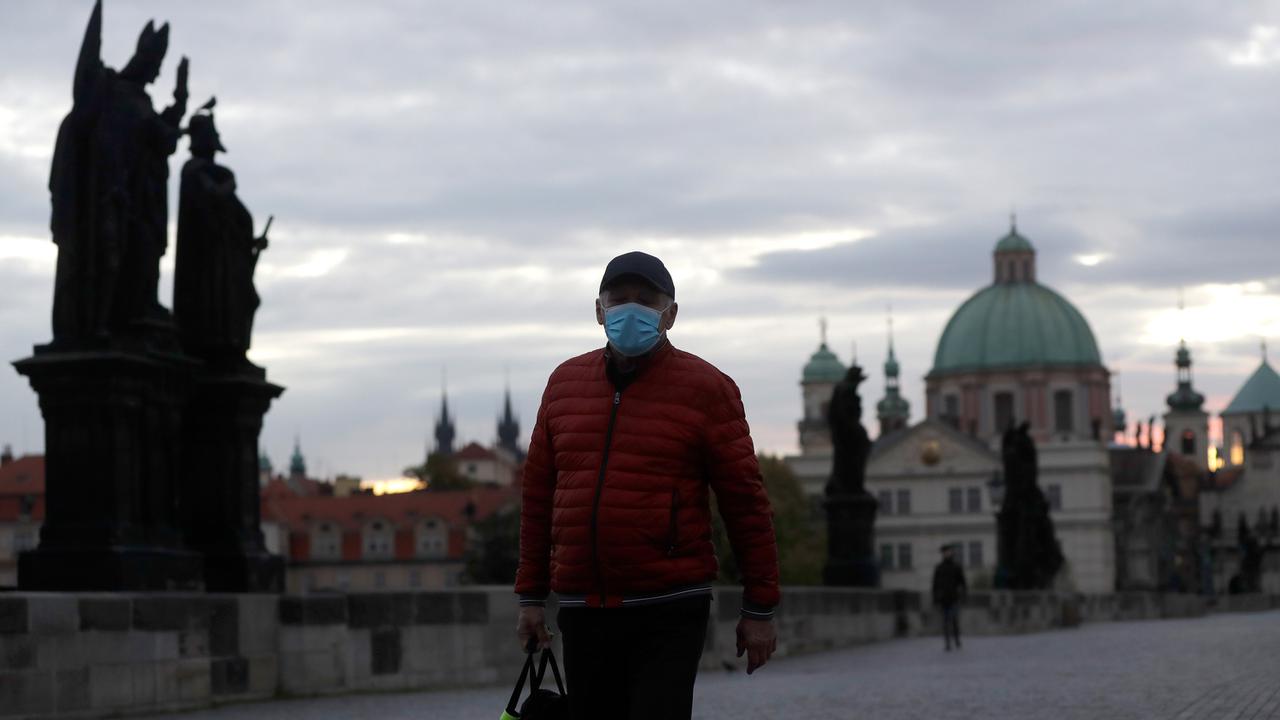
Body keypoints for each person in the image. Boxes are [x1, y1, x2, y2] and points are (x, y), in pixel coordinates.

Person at [515, 251, 780, 720]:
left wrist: (759, 608)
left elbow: (746, 504)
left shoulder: (707, 387)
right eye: (619, 300)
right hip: (584, 604)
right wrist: (531, 598)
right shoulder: (563, 384)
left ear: (670, 314)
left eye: (646, 300)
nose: (630, 310)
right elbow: (538, 499)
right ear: (599, 311)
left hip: (669, 605)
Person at [932, 543, 967, 651]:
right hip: (944, 599)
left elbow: (963, 582)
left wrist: (964, 596)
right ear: (943, 554)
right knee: (946, 621)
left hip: (954, 598)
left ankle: (956, 640)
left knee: (954, 620)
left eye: (948, 552)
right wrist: (935, 599)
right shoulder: (939, 568)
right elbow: (935, 585)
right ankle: (947, 643)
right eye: (945, 552)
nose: (947, 554)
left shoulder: (956, 567)